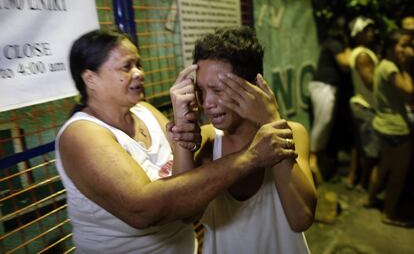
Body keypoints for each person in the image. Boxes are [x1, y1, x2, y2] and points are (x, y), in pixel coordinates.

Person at [55, 29, 298, 253]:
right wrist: (251, 157)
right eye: (126, 66)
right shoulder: (82, 135)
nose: (140, 72)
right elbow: (142, 210)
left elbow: (186, 187)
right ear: (90, 79)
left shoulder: (145, 112)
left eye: (138, 64)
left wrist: (186, 130)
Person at [171, 27, 317, 254]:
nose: (207, 102)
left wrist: (271, 121)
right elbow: (183, 213)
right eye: (201, 90)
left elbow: (301, 219)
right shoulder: (208, 140)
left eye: (219, 89)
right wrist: (183, 134)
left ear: (254, 88)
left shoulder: (292, 133)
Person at [366, 29, 414, 227]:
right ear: (392, 47)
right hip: (397, 128)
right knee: (398, 174)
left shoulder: (382, 65)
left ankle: (370, 200)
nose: (409, 49)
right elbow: (410, 93)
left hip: (382, 124)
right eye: (404, 45)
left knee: (383, 165)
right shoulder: (393, 69)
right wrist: (407, 66)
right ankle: (389, 213)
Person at [308, 16, 353, 182]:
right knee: (323, 121)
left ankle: (317, 159)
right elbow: (346, 63)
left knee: (325, 123)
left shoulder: (332, 43)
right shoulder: (334, 43)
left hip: (326, 87)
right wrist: (349, 46)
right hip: (323, 86)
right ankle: (312, 159)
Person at [347, 16, 380, 190]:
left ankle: (354, 179)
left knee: (359, 145)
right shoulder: (362, 55)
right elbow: (371, 81)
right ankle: (364, 183)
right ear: (357, 34)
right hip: (366, 106)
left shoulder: (362, 52)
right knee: (370, 149)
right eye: (366, 30)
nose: (371, 33)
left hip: (362, 105)